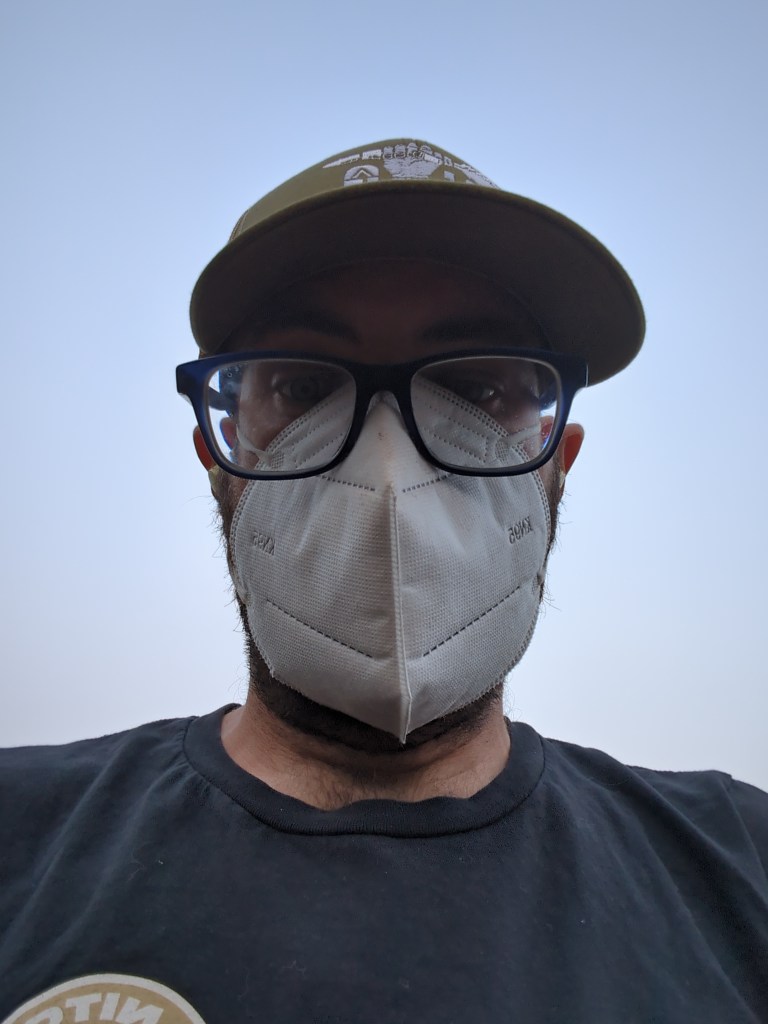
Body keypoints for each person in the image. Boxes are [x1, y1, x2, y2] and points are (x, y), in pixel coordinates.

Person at [2, 139, 766, 1024]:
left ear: (557, 463)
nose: (389, 463)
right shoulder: (19, 839)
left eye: (478, 392)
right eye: (301, 387)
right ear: (218, 454)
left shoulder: (740, 866)